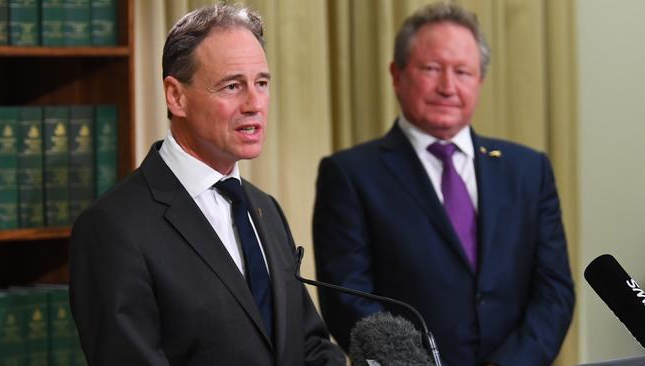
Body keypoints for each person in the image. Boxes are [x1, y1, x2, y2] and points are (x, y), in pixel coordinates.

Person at [69, 4, 345, 366]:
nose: (254, 104)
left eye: (261, 83)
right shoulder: (113, 227)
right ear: (176, 96)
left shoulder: (265, 208)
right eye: (232, 86)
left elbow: (307, 346)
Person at [312, 2, 574, 366]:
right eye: (431, 69)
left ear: (480, 81)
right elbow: (348, 298)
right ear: (397, 74)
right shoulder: (350, 174)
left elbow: (554, 292)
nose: (448, 87)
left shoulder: (529, 170)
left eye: (463, 72)